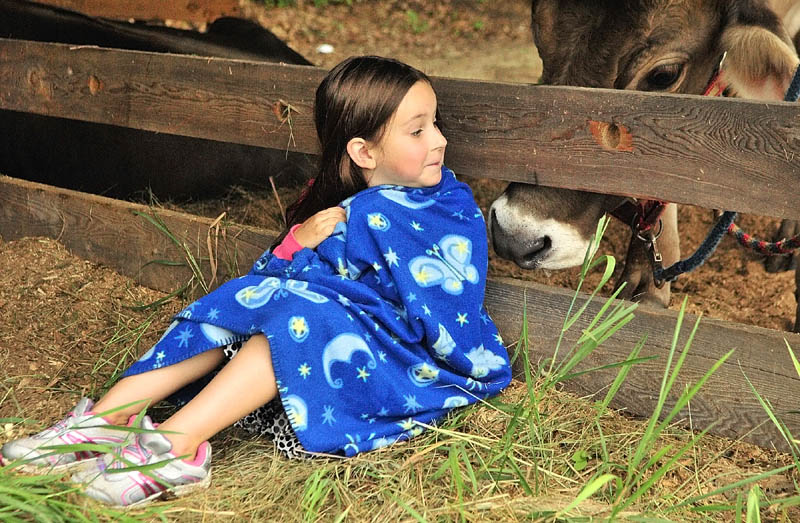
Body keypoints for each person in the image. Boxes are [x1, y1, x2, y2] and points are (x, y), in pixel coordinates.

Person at [0, 56, 512, 507]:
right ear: (363, 152)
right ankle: (103, 422)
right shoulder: (336, 211)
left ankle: (173, 448)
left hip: (399, 360)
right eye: (418, 130)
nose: (440, 140)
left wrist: (323, 280)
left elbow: (441, 306)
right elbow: (271, 278)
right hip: (309, 346)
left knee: (297, 311)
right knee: (249, 297)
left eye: (434, 123)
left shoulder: (448, 207)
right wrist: (297, 244)